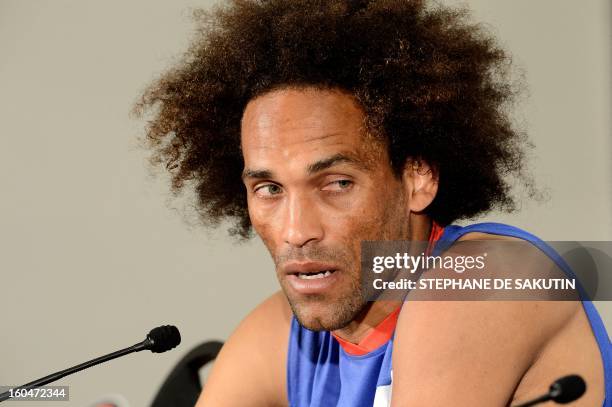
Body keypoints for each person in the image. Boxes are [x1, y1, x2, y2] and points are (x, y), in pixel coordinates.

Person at [134, 0, 610, 405]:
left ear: (417, 179)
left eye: (336, 183)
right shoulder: (280, 333)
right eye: (270, 190)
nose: (296, 230)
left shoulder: (492, 276)